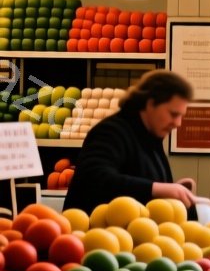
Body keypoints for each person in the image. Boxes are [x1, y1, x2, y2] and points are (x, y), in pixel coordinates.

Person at [66, 70, 197, 216]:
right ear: (151, 103)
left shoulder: (149, 136)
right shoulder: (111, 131)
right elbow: (94, 177)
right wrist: (157, 188)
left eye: (181, 116)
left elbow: (139, 181)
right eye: (173, 114)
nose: (178, 123)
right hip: (94, 233)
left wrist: (173, 189)